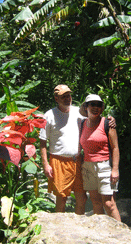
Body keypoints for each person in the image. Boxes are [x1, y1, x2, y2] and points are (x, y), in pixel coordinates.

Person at [39, 85, 116, 214]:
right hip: (59, 161)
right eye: (63, 96)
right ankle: (59, 228)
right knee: (62, 198)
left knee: (82, 198)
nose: (67, 99)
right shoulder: (49, 115)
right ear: (56, 98)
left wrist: (110, 119)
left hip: (78, 161)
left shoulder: (79, 113)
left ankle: (79, 225)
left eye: (68, 95)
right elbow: (42, 141)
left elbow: (96, 119)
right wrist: (46, 164)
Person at [79, 94, 121, 221]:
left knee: (109, 204)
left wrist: (115, 169)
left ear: (102, 108)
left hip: (105, 167)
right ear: (86, 107)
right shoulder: (82, 123)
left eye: (99, 105)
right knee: (96, 202)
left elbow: (115, 148)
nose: (96, 108)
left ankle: (120, 234)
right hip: (87, 166)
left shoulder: (107, 123)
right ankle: (102, 233)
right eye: (92, 104)